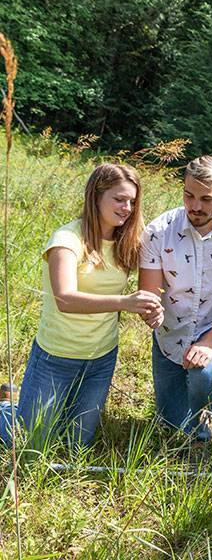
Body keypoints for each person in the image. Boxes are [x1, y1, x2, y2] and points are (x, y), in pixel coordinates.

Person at [0, 163, 162, 447]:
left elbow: (155, 276)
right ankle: (7, 409)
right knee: (28, 442)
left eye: (132, 201)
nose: (126, 208)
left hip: (101, 359)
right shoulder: (66, 240)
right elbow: (65, 299)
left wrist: (153, 307)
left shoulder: (128, 240)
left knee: (77, 443)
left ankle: (21, 400)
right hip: (56, 357)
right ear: (96, 196)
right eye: (119, 199)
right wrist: (126, 302)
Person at [138, 155, 212, 443]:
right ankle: (185, 422)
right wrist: (151, 309)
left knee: (203, 375)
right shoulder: (159, 231)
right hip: (169, 336)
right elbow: (151, 290)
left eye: (206, 199)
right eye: (188, 195)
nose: (195, 206)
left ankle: (205, 437)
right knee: (169, 427)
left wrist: (209, 343)